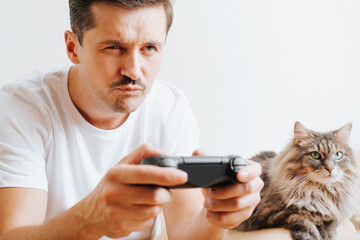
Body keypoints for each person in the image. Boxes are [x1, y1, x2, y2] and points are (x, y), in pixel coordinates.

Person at [0, 1, 264, 239]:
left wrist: (217, 217)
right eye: (114, 47)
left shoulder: (170, 109)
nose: (134, 71)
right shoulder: (22, 109)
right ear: (73, 48)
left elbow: (185, 234)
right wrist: (88, 218)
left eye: (149, 47)